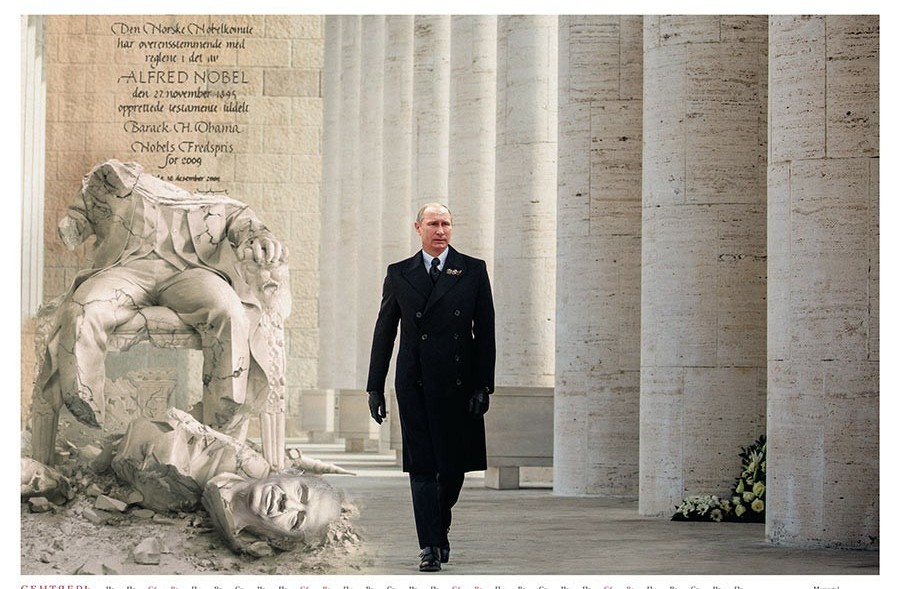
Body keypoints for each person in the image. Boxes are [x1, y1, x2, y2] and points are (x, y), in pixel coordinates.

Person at [31, 159, 286, 464]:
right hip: (127, 270)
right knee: (83, 308)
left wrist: (263, 241)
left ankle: (223, 412)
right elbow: (73, 228)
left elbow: (252, 229)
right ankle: (84, 400)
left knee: (229, 310)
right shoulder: (118, 186)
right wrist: (84, 202)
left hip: (190, 274)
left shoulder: (220, 206)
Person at [365, 202, 496, 572]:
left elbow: (484, 331)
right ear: (418, 228)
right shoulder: (399, 273)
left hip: (459, 385)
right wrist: (375, 386)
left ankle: (440, 527)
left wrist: (483, 385)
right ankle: (428, 546)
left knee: (453, 470)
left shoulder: (472, 270)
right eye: (433, 224)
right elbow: (384, 332)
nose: (441, 231)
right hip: (414, 383)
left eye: (447, 224)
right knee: (422, 467)